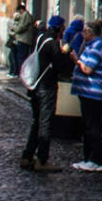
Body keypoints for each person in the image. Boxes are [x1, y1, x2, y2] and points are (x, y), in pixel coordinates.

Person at [21, 16, 72, 173]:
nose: (64, 31)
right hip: (46, 87)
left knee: (36, 121)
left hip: (35, 87)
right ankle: (42, 160)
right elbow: (61, 66)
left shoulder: (41, 37)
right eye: (63, 28)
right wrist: (66, 52)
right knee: (46, 123)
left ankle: (27, 156)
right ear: (58, 29)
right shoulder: (52, 44)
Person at [70, 19, 102, 171]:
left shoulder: (96, 47)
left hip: (93, 93)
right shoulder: (91, 46)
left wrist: (76, 60)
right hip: (87, 92)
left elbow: (87, 69)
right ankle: (88, 158)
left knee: (92, 127)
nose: (82, 33)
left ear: (90, 33)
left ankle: (95, 160)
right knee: (87, 125)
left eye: (85, 31)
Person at [6, 3, 37, 78]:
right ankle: (19, 72)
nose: (18, 13)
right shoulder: (24, 16)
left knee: (21, 57)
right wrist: (16, 17)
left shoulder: (25, 15)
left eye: (19, 12)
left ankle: (21, 73)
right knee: (18, 56)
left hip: (23, 40)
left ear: (21, 10)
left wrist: (14, 29)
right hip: (22, 40)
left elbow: (21, 27)